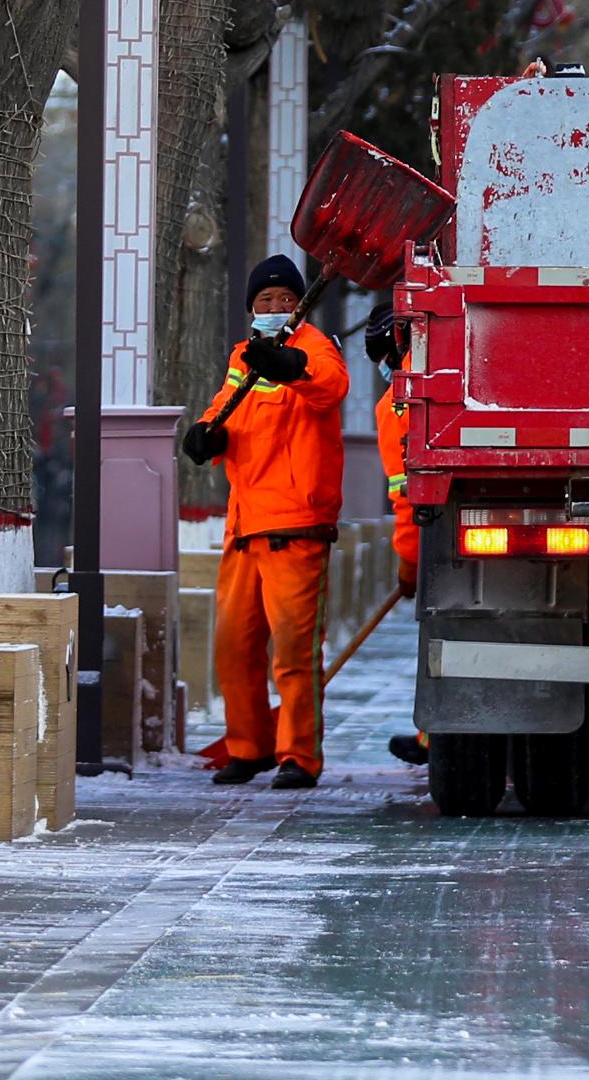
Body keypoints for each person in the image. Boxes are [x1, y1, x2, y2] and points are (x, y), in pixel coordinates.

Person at [183, 254, 349, 790]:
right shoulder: (244, 356)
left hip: (296, 522)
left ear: (300, 305)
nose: (275, 307)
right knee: (235, 647)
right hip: (244, 523)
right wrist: (208, 434)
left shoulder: (314, 349)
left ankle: (299, 755)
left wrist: (292, 369)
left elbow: (330, 386)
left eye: (284, 300)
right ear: (252, 309)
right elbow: (226, 407)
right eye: (264, 301)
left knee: (295, 654)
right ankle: (248, 747)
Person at [366, 306, 428, 770]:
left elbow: (405, 495)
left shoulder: (397, 404)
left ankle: (435, 736)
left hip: (437, 538)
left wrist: (409, 564)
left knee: (445, 635)